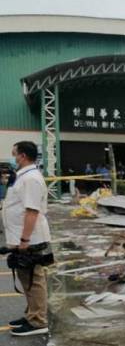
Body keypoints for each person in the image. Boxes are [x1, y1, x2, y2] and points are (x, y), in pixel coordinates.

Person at [3, 141, 54, 336]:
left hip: (30, 238)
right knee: (27, 278)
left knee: (34, 278)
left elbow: (32, 211)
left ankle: (39, 321)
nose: (13, 158)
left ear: (23, 156)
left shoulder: (31, 178)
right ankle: (31, 314)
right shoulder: (23, 177)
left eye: (14, 154)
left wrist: (24, 239)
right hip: (22, 237)